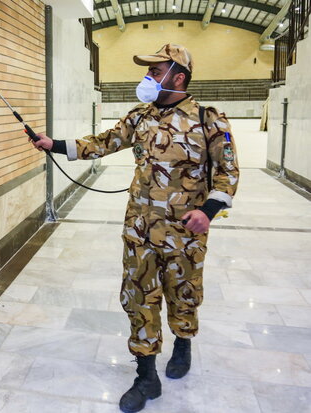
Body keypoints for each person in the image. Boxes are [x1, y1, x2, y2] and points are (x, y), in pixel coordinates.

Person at [30, 44, 239, 413]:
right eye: (148, 71)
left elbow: (228, 174)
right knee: (137, 297)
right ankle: (146, 376)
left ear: (178, 77)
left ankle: (183, 343)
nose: (147, 78)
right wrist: (56, 144)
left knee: (183, 293)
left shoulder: (210, 119)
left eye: (155, 71)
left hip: (185, 234)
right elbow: (103, 142)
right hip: (139, 228)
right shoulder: (140, 116)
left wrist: (208, 211)